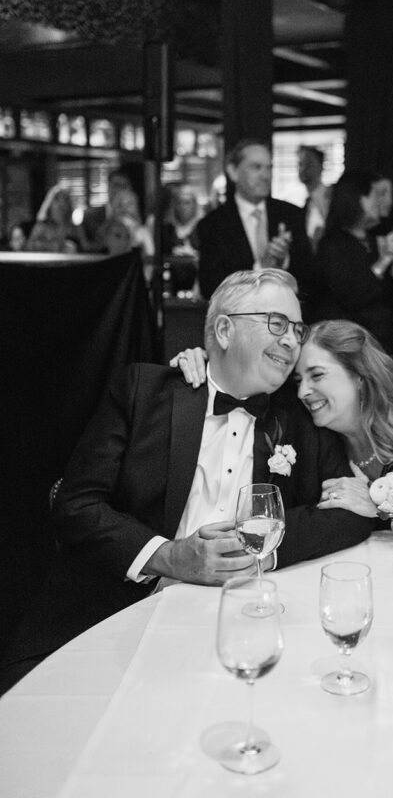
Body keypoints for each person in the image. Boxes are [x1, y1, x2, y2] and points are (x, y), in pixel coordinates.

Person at [0, 269, 371, 691]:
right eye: (277, 323)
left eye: (297, 329)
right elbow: (76, 505)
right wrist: (169, 556)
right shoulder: (144, 392)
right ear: (225, 330)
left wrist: (257, 556)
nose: (291, 341)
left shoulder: (300, 420)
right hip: (113, 615)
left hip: (246, 625)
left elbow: (350, 516)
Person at [174, 320, 393, 519]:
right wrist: (208, 362)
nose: (303, 391)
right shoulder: (318, 432)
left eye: (317, 375)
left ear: (360, 375)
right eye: (298, 380)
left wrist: (385, 503)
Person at [195, 139, 316, 307]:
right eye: (256, 167)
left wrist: (284, 261)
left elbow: (312, 279)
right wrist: (260, 269)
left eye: (269, 168)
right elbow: (209, 287)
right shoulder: (213, 224)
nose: (266, 176)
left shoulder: (291, 214)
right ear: (233, 172)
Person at [315, 172, 393, 368]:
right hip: (352, 346)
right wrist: (383, 262)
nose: (379, 201)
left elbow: (391, 292)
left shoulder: (374, 239)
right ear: (358, 199)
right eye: (375, 195)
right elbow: (351, 294)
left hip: (387, 344)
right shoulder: (333, 244)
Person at [80, 166, 134, 251]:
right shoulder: (89, 216)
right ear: (108, 186)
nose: (119, 190)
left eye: (123, 186)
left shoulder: (133, 218)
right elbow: (87, 249)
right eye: (116, 185)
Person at [27, 184, 80, 253]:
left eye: (64, 207)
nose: (61, 209)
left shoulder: (72, 228)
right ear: (50, 207)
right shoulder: (41, 226)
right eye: (58, 207)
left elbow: (84, 248)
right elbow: (30, 247)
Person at [298, 145, 331, 252]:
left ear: (321, 167)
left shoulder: (330, 196)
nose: (303, 169)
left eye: (309, 164)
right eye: (300, 164)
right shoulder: (304, 201)